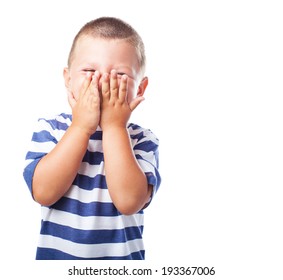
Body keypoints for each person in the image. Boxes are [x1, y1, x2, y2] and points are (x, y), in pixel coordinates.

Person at [23, 17, 161, 260]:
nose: (103, 82)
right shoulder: (52, 129)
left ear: (140, 88)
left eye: (119, 74)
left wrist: (115, 127)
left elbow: (129, 202)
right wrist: (80, 127)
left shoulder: (141, 139)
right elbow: (43, 192)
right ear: (68, 79)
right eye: (89, 71)